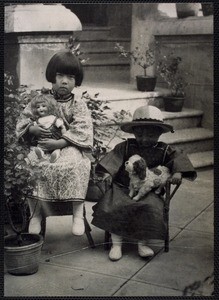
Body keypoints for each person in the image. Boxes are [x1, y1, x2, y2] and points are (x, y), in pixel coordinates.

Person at [92, 105, 197, 261]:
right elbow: (113, 158)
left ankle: (142, 244)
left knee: (150, 207)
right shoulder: (126, 146)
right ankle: (117, 244)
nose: (144, 139)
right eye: (140, 135)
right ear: (134, 133)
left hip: (149, 190)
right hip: (122, 187)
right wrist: (107, 172)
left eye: (150, 135)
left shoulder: (165, 149)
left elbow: (178, 157)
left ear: (160, 133)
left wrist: (178, 172)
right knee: (115, 205)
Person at [16, 50, 93, 236]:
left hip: (67, 146)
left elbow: (82, 129)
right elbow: (23, 120)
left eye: (70, 77)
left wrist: (58, 143)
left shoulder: (78, 104)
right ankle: (36, 214)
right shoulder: (40, 101)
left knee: (76, 165)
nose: (64, 81)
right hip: (42, 146)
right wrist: (32, 129)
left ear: (76, 81)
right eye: (60, 75)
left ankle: (77, 214)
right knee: (30, 165)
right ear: (52, 76)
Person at [30, 93, 67, 163]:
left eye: (43, 106)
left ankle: (54, 155)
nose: (40, 108)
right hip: (42, 141)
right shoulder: (38, 120)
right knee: (40, 148)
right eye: (38, 107)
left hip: (55, 141)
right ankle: (40, 154)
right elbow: (33, 128)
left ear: (50, 107)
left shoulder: (54, 118)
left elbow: (62, 127)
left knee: (58, 149)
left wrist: (64, 136)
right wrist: (33, 129)